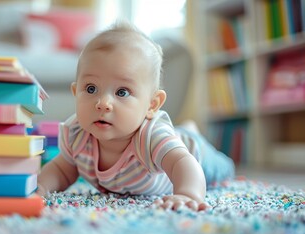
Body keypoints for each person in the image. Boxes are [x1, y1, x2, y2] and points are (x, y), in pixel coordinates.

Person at [37, 21, 235, 211]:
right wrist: (40, 188)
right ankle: (185, 129)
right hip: (173, 144)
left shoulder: (150, 136)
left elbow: (183, 164)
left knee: (222, 169)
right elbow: (62, 170)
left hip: (196, 154)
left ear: (152, 104)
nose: (103, 103)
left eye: (122, 92)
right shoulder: (77, 134)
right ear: (75, 92)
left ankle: (190, 133)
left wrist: (188, 194)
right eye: (91, 88)